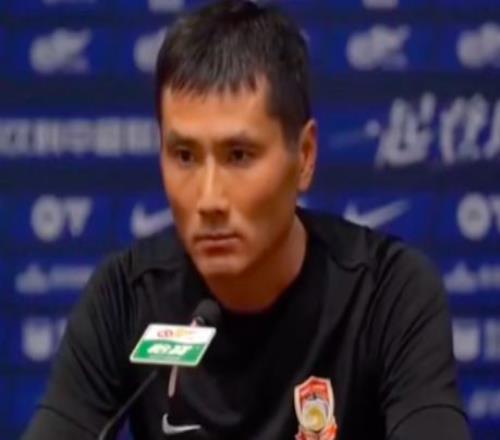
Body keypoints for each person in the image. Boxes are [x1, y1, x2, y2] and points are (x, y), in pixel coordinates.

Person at [23, 1, 471, 439]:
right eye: (184, 156)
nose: (209, 199)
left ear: (305, 156)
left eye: (238, 155)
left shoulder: (388, 294)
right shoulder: (125, 298)